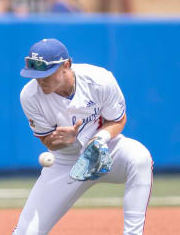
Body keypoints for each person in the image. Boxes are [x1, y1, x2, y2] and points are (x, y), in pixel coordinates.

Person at [14, 38, 153, 235]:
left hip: (106, 149)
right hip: (65, 162)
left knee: (140, 158)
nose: (40, 80)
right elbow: (47, 141)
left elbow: (118, 120)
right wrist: (63, 140)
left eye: (46, 74)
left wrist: (100, 139)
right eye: (35, 75)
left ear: (66, 65)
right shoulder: (29, 96)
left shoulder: (99, 80)